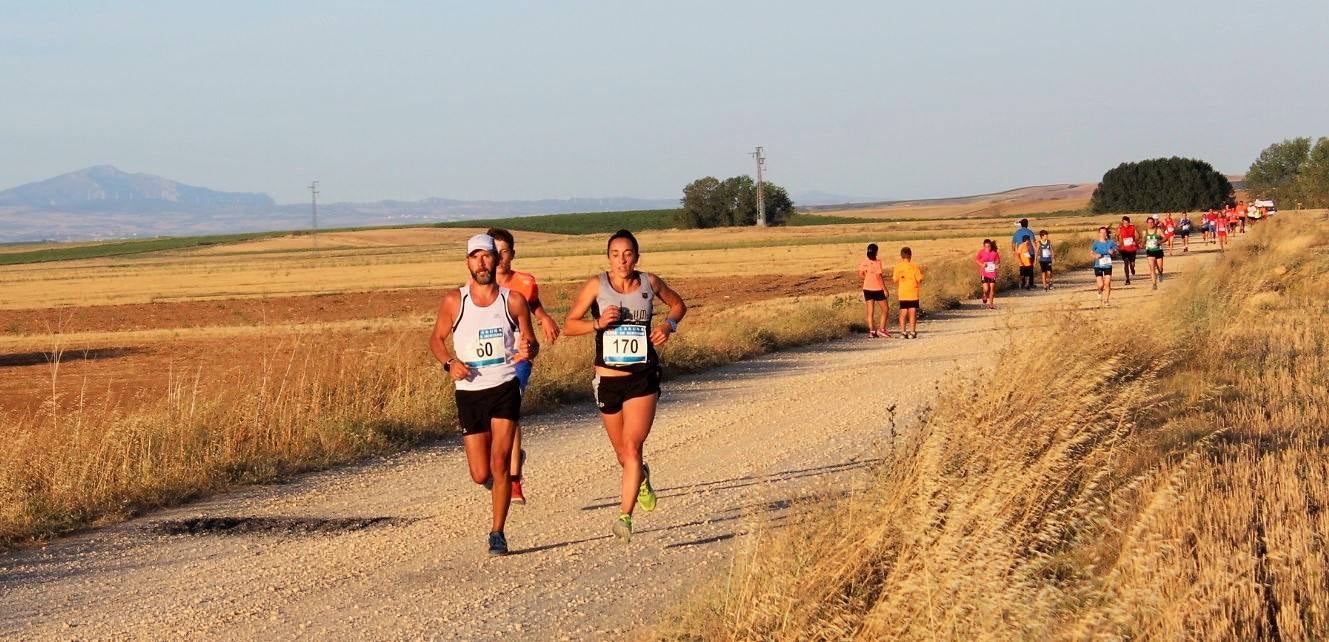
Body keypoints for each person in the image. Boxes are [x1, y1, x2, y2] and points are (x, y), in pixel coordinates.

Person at [564, 230, 686, 542]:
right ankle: (642, 477)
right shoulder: (596, 285)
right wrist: (597, 323)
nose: (622, 259)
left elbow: (678, 305)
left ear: (637, 256)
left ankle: (624, 517)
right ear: (608, 257)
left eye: (628, 253)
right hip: (607, 380)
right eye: (616, 254)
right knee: (623, 455)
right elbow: (568, 326)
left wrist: (667, 326)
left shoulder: (649, 282)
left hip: (642, 377)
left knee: (632, 447)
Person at [429, 234, 537, 556]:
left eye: (487, 256)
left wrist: (529, 349)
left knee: (500, 463)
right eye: (475, 257)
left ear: (496, 260)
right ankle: (496, 484)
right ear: (467, 263)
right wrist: (449, 363)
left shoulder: (513, 300)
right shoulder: (454, 301)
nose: (482, 262)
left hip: (504, 386)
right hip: (470, 391)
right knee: (480, 473)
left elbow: (531, 343)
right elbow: (435, 340)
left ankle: (497, 533)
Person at [487, 228, 561, 505]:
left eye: (504, 252)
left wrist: (544, 318)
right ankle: (507, 459)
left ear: (512, 254)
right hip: (491, 360)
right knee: (491, 419)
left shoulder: (526, 281)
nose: (499, 258)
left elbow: (532, 303)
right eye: (494, 252)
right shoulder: (479, 285)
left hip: (520, 356)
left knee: (509, 410)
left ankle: (514, 480)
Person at [858, 243, 890, 338]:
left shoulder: (864, 262)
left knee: (870, 312)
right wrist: (885, 289)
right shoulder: (877, 262)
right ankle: (882, 329)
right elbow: (879, 276)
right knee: (885, 309)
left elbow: (860, 274)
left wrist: (867, 278)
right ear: (876, 251)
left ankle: (872, 331)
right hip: (877, 288)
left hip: (867, 288)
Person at [892, 247, 923, 339]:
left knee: (903, 312)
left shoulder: (898, 267)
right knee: (912, 312)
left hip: (902, 293)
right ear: (910, 255)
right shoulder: (914, 266)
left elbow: (894, 279)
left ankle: (903, 332)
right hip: (913, 292)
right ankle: (912, 332)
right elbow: (920, 279)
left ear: (901, 256)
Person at [1091, 226, 1118, 306]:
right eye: (1101, 232)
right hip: (1098, 265)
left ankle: (1106, 300)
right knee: (1101, 285)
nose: (1103, 234)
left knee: (1107, 283)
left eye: (1104, 232)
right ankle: (1099, 290)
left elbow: (1116, 251)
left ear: (1107, 233)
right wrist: (1096, 256)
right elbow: (1091, 253)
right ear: (1099, 233)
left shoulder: (1111, 242)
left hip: (1107, 265)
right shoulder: (1096, 243)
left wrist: (1112, 251)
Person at [975, 239, 1000, 310]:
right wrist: (982, 264)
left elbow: (998, 261)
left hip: (992, 272)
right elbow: (977, 259)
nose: (987, 248)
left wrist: (996, 264)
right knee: (986, 289)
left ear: (991, 246)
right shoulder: (981, 252)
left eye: (989, 246)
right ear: (984, 246)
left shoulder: (994, 253)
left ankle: (991, 304)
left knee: (992, 288)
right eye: (986, 247)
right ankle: (984, 295)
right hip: (984, 273)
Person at [1144, 217, 1166, 290]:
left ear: (1154, 223)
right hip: (1150, 252)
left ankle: (1160, 273)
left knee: (1160, 268)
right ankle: (1154, 284)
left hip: (1158, 251)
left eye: (1152, 222)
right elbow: (1143, 240)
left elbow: (1165, 238)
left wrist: (1159, 242)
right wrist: (1141, 243)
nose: (1150, 224)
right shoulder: (1144, 232)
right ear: (1147, 223)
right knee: (1152, 268)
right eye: (1149, 222)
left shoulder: (1158, 230)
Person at [1117, 216, 1139, 286]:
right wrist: (1118, 242)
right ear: (1122, 223)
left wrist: (1135, 241)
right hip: (1124, 249)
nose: (1126, 224)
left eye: (1127, 223)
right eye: (1124, 223)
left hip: (1132, 248)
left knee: (1132, 263)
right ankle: (1127, 279)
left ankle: (1132, 269)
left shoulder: (1133, 227)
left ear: (1129, 222)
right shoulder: (1120, 228)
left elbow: (1137, 235)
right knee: (1126, 263)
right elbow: (1117, 236)